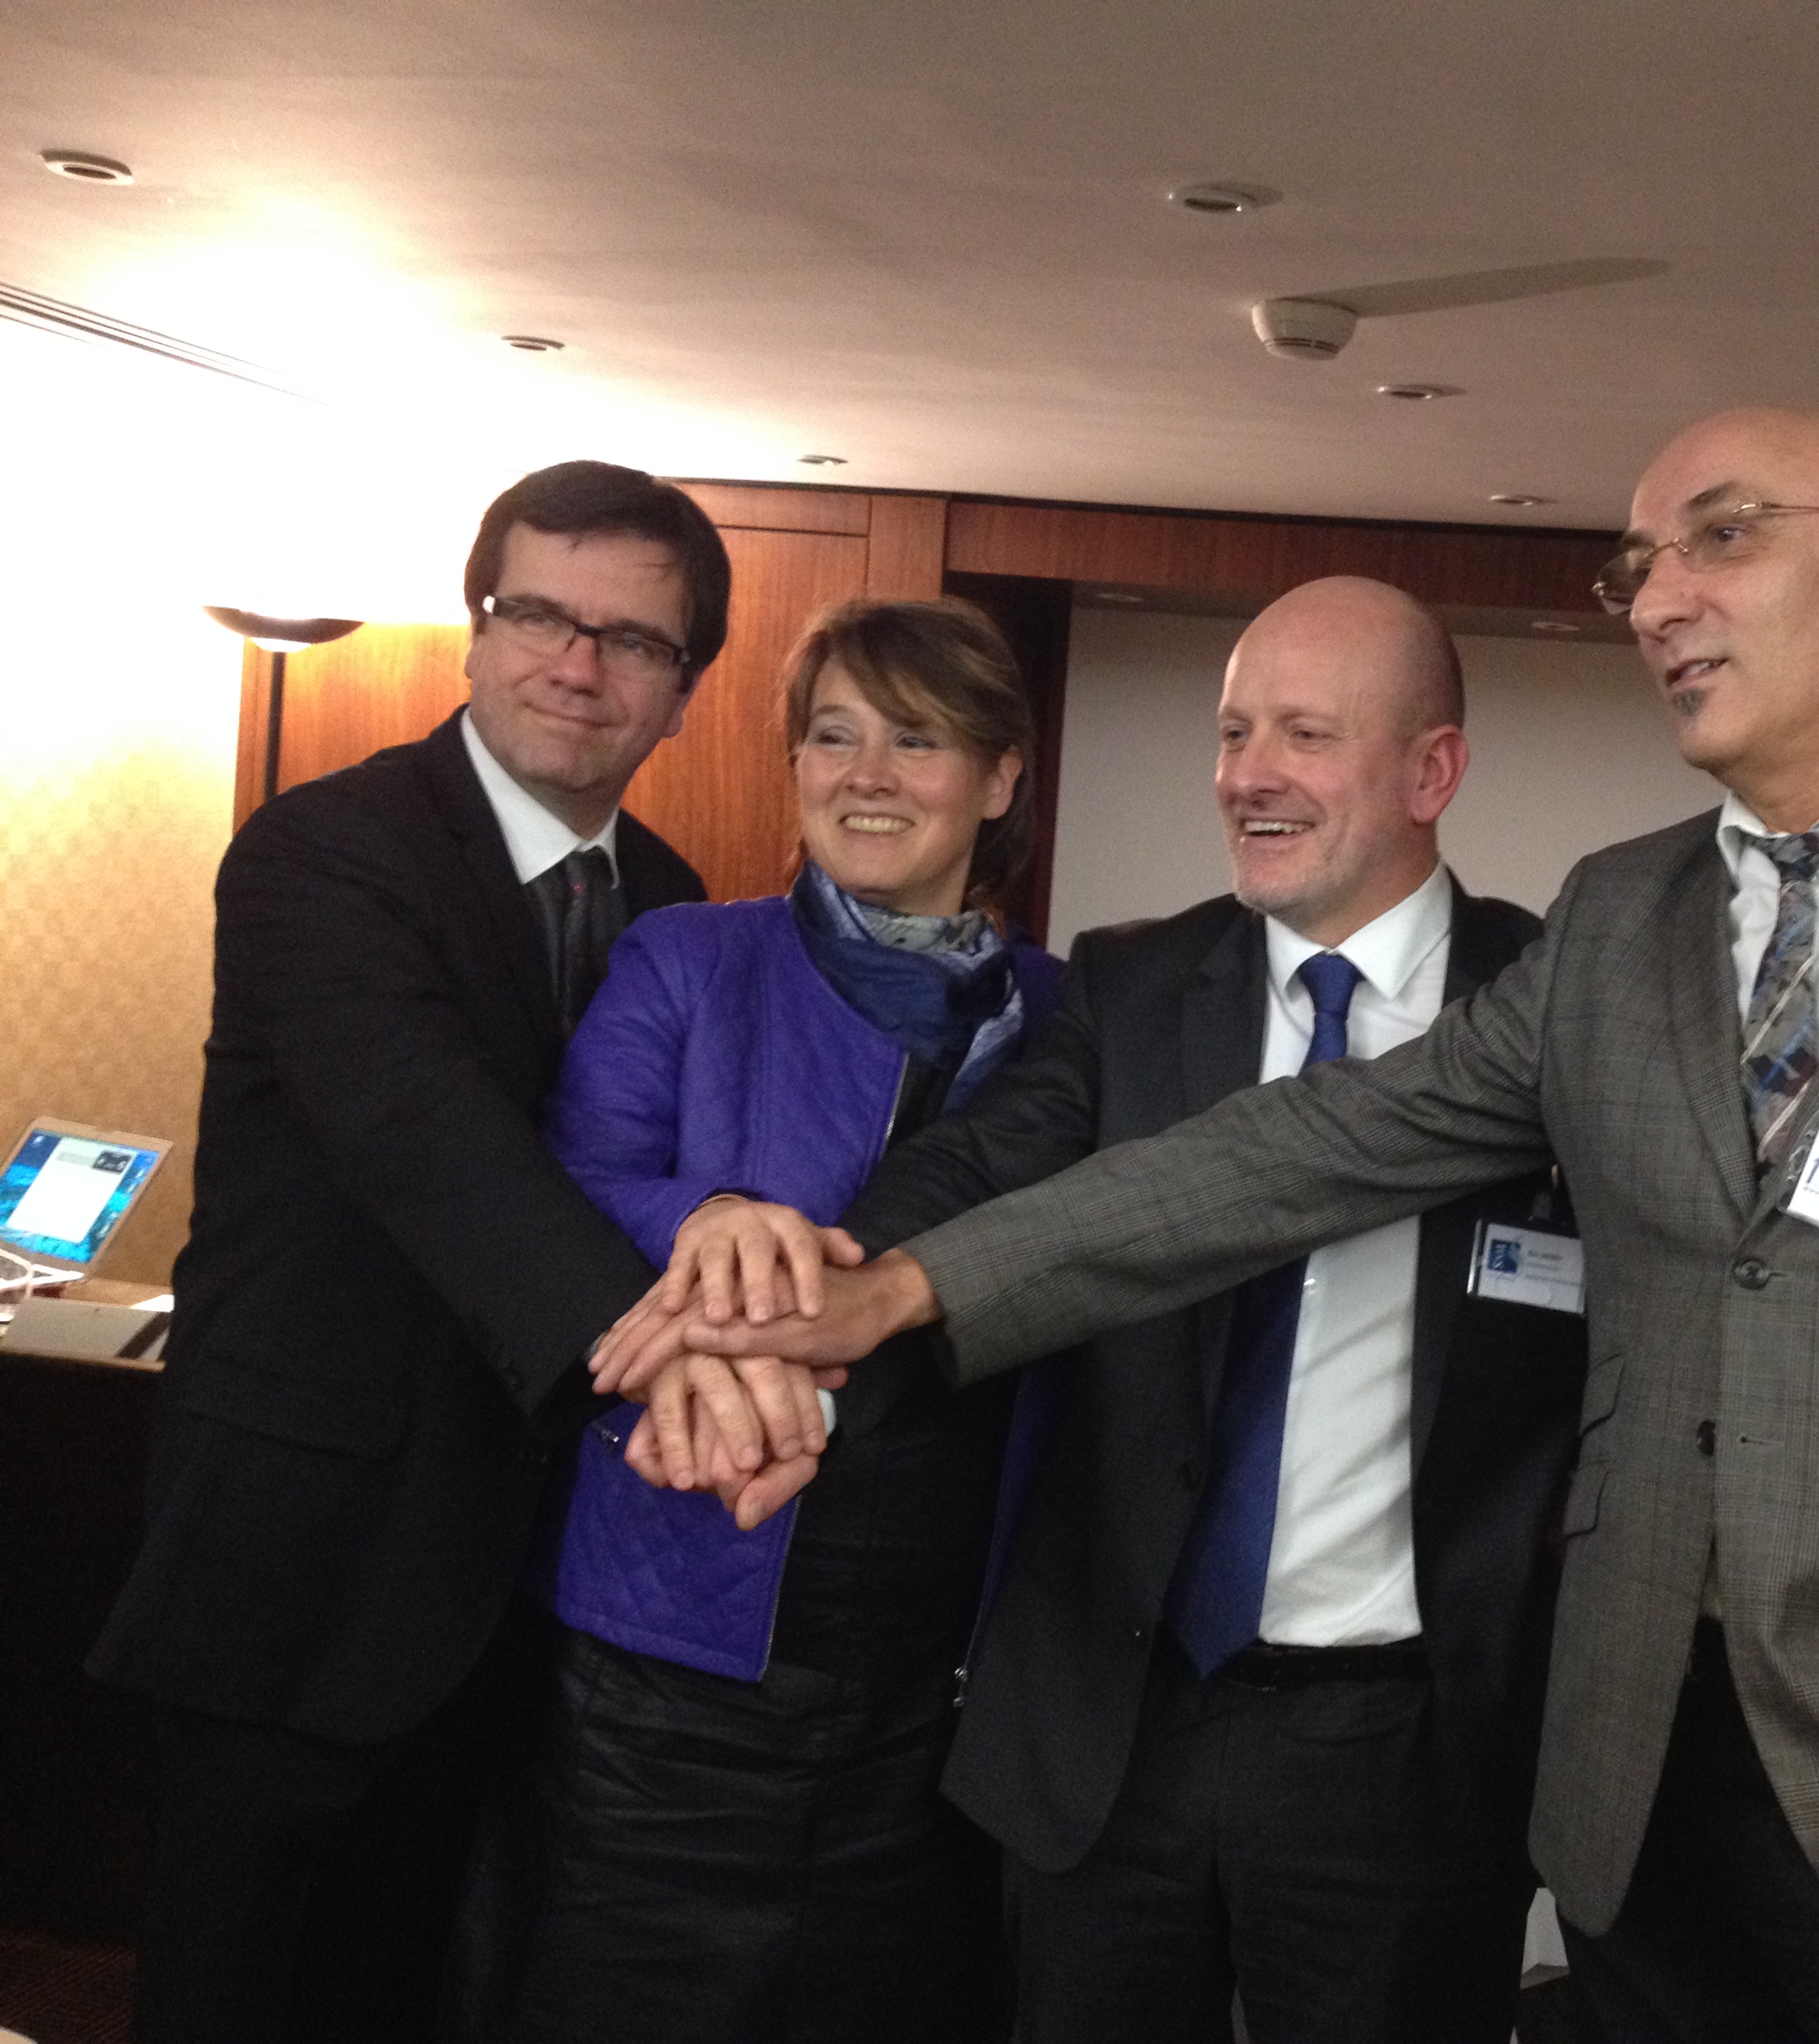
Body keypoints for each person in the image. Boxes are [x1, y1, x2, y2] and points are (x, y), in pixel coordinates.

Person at [614, 409, 1819, 2041]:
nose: (1660, 599)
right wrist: (900, 1289)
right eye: (1638, 565)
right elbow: (1304, 1151)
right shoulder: (1623, 916)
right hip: (1633, 1790)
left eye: (1722, 537)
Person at [633, 575, 1585, 2041]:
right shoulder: (1130, 984)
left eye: (1306, 735)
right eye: (1233, 733)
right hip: (1108, 1725)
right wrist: (785, 1325)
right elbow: (971, 1178)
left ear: (1431, 771)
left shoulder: (1554, 1009)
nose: (1249, 776)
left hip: (1410, 1747)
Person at [89, 460, 730, 2044]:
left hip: (532, 1590)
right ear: (476, 629)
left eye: (631, 640)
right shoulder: (324, 850)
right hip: (306, 1566)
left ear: (685, 689)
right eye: (539, 614)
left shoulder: (671, 907)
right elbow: (430, 1144)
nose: (575, 664)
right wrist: (681, 1366)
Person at [450, 597, 1059, 2042]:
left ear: (999, 777)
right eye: (832, 736)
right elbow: (569, 1184)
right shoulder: (688, 957)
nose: (866, 775)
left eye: (916, 740)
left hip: (939, 1670)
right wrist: (710, 1218)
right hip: (670, 1640)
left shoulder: (1069, 1015)